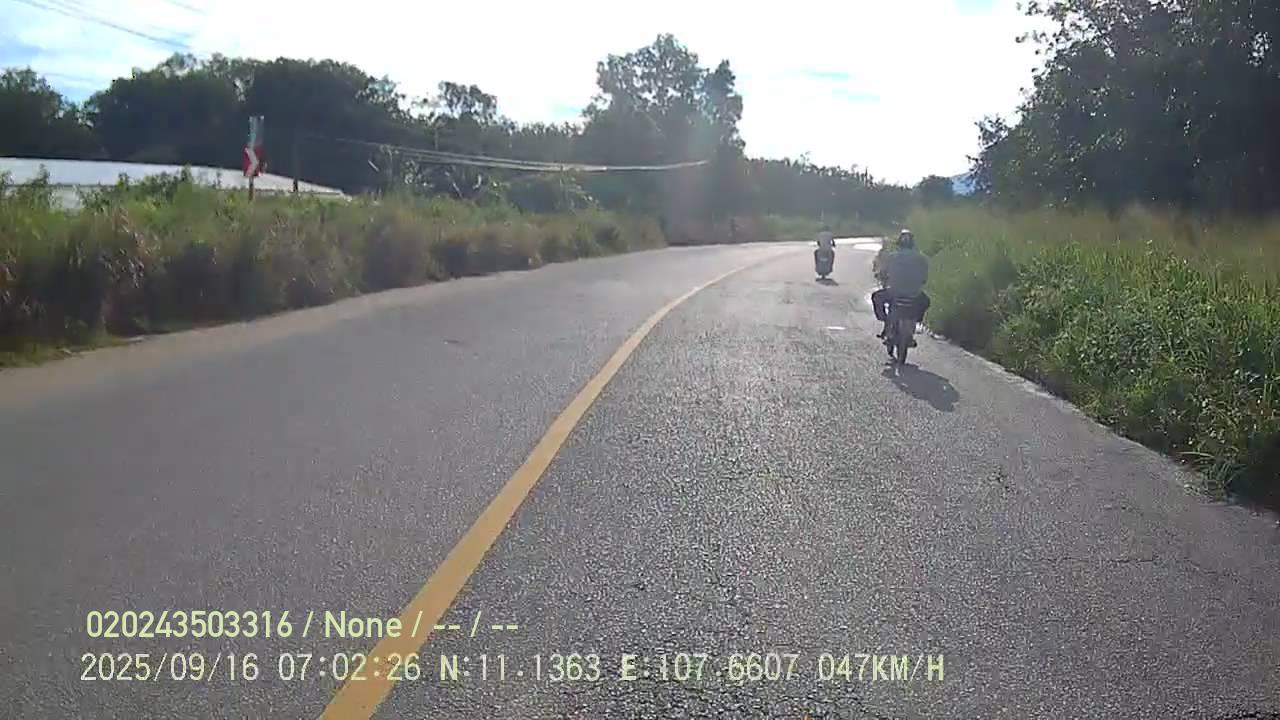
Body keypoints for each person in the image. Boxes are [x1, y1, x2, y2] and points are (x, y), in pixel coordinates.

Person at [872, 229, 930, 346]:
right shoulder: (922, 258)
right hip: (914, 294)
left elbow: (882, 273)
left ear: (899, 244)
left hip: (894, 293)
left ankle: (886, 320)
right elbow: (924, 278)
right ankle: (916, 321)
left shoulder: (892, 257)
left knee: (876, 297)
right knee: (925, 302)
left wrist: (881, 276)